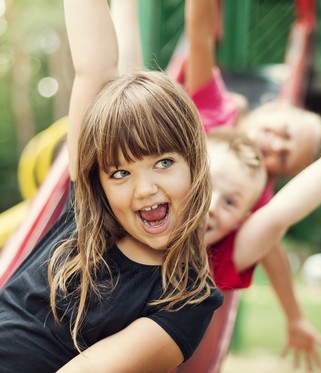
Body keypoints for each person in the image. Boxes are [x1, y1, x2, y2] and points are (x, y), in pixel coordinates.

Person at [0, 0, 223, 372]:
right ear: (100, 181)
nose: (145, 189)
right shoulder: (86, 214)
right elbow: (95, 66)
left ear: (195, 165)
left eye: (163, 163)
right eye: (120, 173)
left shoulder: (187, 300)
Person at [178, 0, 321, 371]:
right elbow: (199, 37)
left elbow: (273, 253)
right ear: (278, 109)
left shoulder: (256, 201)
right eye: (285, 134)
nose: (274, 146)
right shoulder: (216, 109)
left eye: (284, 158)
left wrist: (294, 316)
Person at [177, 120, 321, 372]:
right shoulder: (136, 218)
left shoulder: (215, 258)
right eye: (206, 186)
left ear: (241, 222)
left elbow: (277, 217)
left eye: (230, 203)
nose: (212, 206)